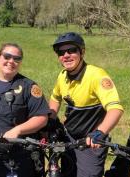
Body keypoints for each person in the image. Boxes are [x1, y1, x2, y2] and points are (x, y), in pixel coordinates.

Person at [49, 32, 124, 177]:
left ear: (82, 52)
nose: (66, 55)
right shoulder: (62, 76)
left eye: (71, 50)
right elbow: (55, 97)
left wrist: (100, 132)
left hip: (91, 140)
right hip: (69, 137)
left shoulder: (96, 75)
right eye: (61, 52)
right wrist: (51, 119)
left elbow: (115, 109)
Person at [0, 43, 50, 177]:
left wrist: (17, 130)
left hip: (16, 158)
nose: (11, 61)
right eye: (7, 56)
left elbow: (41, 118)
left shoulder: (29, 87)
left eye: (17, 59)